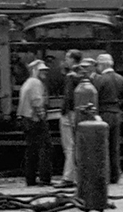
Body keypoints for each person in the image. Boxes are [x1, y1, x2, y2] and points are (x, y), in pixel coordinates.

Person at [93, 53, 123, 184]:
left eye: (98, 64)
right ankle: (115, 175)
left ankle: (104, 174)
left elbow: (94, 98)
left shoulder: (99, 80)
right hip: (116, 114)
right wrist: (121, 105)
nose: (97, 67)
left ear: (103, 64)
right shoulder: (121, 79)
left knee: (102, 146)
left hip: (103, 114)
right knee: (114, 146)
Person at [17, 59, 51, 187]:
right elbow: (37, 101)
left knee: (31, 150)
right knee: (45, 148)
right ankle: (44, 179)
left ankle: (30, 179)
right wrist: (42, 116)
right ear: (34, 70)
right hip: (35, 119)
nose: (44, 73)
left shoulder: (27, 83)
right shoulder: (36, 83)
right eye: (41, 70)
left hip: (27, 119)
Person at [56, 49, 83, 186]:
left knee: (69, 147)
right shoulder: (83, 74)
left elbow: (68, 97)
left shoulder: (71, 77)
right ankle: (77, 176)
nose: (65, 60)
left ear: (72, 59)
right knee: (77, 145)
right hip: (79, 112)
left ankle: (68, 178)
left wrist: (64, 112)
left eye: (67, 57)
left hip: (70, 114)